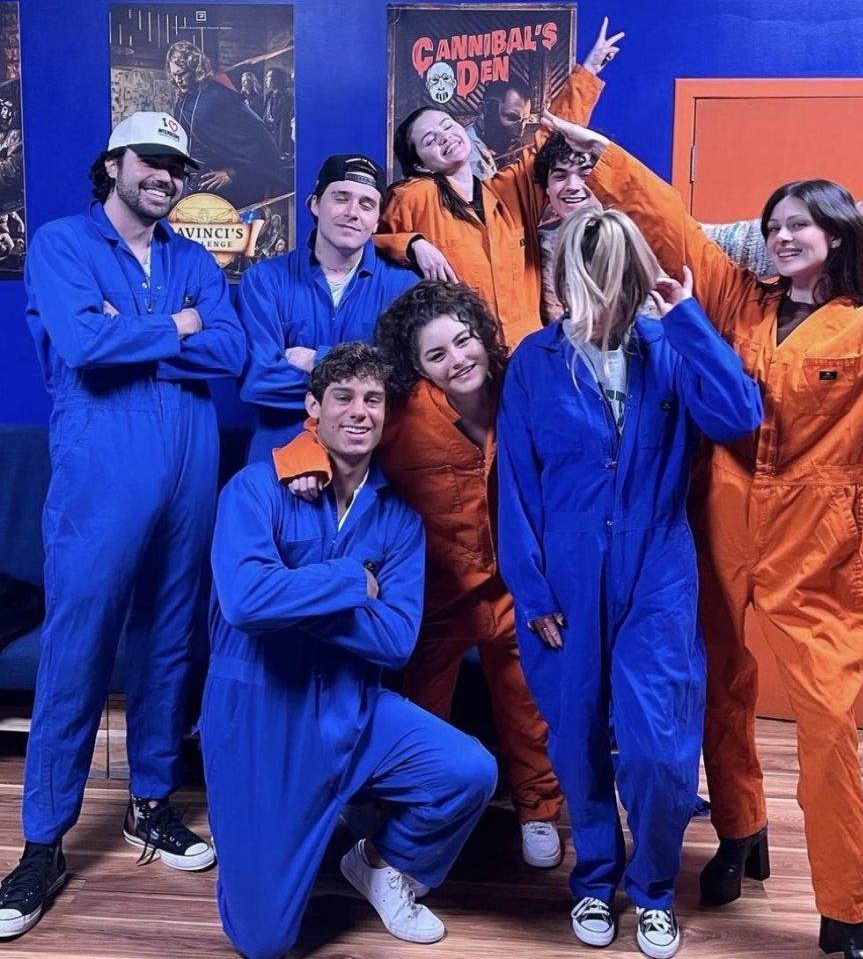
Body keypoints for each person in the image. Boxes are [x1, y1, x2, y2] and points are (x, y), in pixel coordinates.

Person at [541, 112, 863, 959]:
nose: (781, 237)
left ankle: (845, 910)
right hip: (718, 513)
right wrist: (604, 159)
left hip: (819, 536)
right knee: (717, 688)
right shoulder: (735, 299)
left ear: (837, 235)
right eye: (773, 225)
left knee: (826, 721)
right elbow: (671, 225)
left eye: (799, 225)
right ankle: (741, 831)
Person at [0, 112, 245, 940]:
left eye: (178, 165)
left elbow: (231, 352)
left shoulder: (191, 258)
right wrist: (178, 326)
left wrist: (132, 334)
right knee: (78, 645)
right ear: (113, 164)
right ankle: (42, 844)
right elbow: (83, 347)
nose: (165, 176)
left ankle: (150, 801)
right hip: (104, 458)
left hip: (191, 460)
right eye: (151, 160)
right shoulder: (62, 244)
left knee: (171, 638)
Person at [497, 208, 762, 958]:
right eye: (585, 286)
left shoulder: (668, 348)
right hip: (565, 575)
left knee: (658, 748)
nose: (600, 305)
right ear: (562, 283)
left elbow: (739, 415)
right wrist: (531, 590)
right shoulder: (535, 361)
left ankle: (652, 888)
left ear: (635, 281)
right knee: (577, 740)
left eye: (615, 285)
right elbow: (514, 484)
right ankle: (594, 880)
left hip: (657, 568)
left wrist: (685, 319)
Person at [202, 342, 497, 959]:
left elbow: (394, 641)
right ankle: (281, 836)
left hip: (351, 707)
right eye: (343, 397)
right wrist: (349, 581)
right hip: (259, 717)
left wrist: (291, 597)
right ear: (314, 407)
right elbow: (246, 602)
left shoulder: (399, 519)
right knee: (263, 940)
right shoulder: (254, 489)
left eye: (373, 399)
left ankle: (380, 862)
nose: (360, 411)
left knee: (468, 771)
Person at [371, 281, 565, 868]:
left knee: (529, 705)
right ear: (418, 367)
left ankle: (538, 809)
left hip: (517, 590)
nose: (457, 360)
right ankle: (418, 815)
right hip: (437, 595)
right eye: (437, 355)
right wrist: (301, 466)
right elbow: (328, 431)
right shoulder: (401, 414)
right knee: (423, 714)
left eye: (463, 341)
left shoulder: (522, 386)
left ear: (482, 334)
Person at [376, 17, 625, 349]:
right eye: (430, 139)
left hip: (527, 351)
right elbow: (370, 239)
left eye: (447, 126)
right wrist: (412, 244)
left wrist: (588, 72)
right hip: (467, 358)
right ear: (420, 163)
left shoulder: (507, 191)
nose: (445, 137)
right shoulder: (416, 197)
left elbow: (546, 141)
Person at [237, 154, 417, 462]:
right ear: (315, 204)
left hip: (368, 467)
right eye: (341, 198)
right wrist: (364, 384)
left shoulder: (404, 288)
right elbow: (259, 382)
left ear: (377, 220)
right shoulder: (264, 281)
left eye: (366, 205)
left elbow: (402, 381)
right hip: (280, 458)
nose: (352, 212)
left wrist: (317, 359)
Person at [533, 132, 772, 323]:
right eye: (560, 176)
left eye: (585, 174)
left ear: (604, 180)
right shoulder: (539, 251)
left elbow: (747, 243)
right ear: (547, 189)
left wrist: (788, 228)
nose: (573, 185)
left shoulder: (655, 235)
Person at [166, 40, 288, 207]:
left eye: (182, 74)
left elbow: (261, 138)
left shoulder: (219, 96)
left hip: (227, 189)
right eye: (174, 75)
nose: (178, 80)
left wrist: (233, 173)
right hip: (194, 185)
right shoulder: (182, 101)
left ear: (195, 69)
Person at [262, 66, 294, 157]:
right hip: (269, 139)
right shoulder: (269, 96)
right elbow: (265, 118)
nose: (266, 80)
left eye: (268, 77)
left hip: (279, 141)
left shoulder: (286, 99)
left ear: (277, 79)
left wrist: (281, 150)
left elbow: (284, 126)